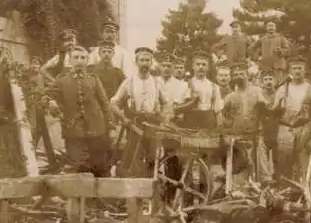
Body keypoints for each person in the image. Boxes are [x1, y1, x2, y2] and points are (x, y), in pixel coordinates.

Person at [42, 45, 114, 177]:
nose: (79, 61)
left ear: (87, 61)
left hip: (97, 130)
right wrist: (50, 101)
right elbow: (46, 95)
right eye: (76, 57)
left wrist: (110, 126)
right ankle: (79, 197)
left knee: (100, 167)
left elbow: (105, 104)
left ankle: (99, 197)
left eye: (83, 58)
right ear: (70, 60)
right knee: (77, 168)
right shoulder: (62, 80)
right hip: (73, 132)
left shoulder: (94, 79)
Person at [110, 47, 170, 177]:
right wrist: (123, 119)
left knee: (153, 158)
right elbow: (113, 103)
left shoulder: (156, 82)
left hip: (153, 124)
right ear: (136, 62)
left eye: (147, 60)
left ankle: (151, 190)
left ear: (151, 62)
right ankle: (136, 191)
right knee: (134, 158)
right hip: (134, 125)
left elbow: (166, 103)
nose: (145, 63)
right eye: (142, 60)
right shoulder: (128, 82)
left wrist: (164, 119)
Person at [222, 61, 271, 190]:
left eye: (241, 73)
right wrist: (227, 134)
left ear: (247, 75)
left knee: (259, 165)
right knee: (242, 166)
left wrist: (264, 104)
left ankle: (263, 187)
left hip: (255, 135)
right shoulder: (230, 97)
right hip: (237, 138)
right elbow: (223, 117)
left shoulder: (257, 92)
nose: (239, 76)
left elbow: (268, 111)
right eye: (236, 74)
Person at [273, 55, 311, 184]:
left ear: (305, 70)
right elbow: (275, 112)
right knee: (284, 161)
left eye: (300, 68)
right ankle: (285, 191)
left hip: (304, 129)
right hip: (285, 129)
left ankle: (307, 191)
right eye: (294, 68)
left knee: (304, 162)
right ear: (290, 71)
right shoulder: (282, 89)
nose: (297, 71)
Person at [176, 50, 223, 130]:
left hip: (208, 126)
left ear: (208, 67)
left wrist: (219, 129)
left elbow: (218, 112)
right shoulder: (185, 85)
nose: (201, 67)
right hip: (190, 125)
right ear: (193, 66)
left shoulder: (214, 87)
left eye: (204, 65)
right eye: (198, 64)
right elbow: (177, 109)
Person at [259, 70, 282, 185]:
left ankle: (279, 180)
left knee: (278, 158)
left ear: (275, 81)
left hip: (277, 130)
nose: (268, 82)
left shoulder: (280, 95)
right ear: (262, 82)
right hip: (263, 130)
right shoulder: (259, 96)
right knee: (261, 156)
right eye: (266, 80)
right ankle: (265, 180)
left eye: (271, 79)